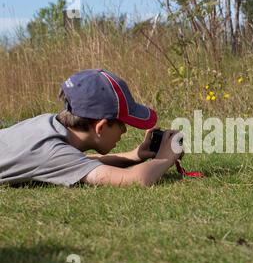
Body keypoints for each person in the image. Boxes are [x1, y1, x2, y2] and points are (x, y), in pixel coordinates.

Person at [0, 69, 183, 187]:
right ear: (101, 127)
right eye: (122, 124)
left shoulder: (47, 124)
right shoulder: (52, 153)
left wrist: (134, 155)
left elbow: (80, 160)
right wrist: (164, 158)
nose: (125, 131)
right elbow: (137, 180)